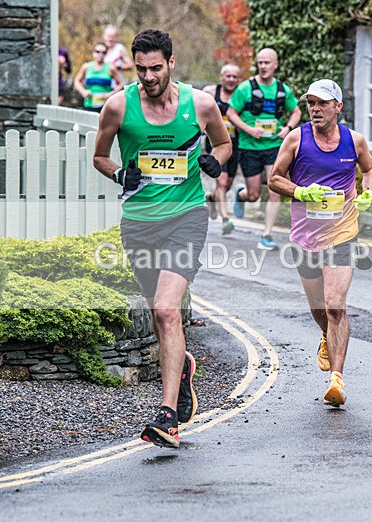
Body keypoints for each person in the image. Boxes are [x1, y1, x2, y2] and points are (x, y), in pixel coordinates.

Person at [93, 29, 231, 448]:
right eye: (141, 69)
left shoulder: (201, 105)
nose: (149, 77)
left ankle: (167, 416)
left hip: (186, 217)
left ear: (171, 63)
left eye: (156, 68)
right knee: (158, 312)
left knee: (169, 312)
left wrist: (213, 160)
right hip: (138, 223)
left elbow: (224, 145)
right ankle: (182, 367)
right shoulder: (118, 107)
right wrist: (119, 172)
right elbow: (99, 156)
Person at [269, 79, 372, 407]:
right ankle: (326, 336)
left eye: (322, 103)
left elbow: (370, 169)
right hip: (305, 237)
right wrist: (301, 192)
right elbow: (274, 179)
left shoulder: (354, 141)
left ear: (337, 107)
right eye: (311, 103)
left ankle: (337, 380)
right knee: (319, 310)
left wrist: (368, 191)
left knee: (335, 304)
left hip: (343, 234)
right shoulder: (296, 139)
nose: (315, 109)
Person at [227, 48, 301, 250]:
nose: (263, 66)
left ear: (275, 64)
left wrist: (287, 129)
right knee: (254, 195)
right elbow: (231, 113)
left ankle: (266, 235)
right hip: (249, 147)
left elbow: (296, 111)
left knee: (275, 189)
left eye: (267, 62)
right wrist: (249, 129)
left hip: (274, 146)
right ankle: (241, 195)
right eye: (260, 63)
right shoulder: (245, 88)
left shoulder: (282, 90)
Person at [202, 63, 241, 235]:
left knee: (228, 184)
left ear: (238, 79)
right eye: (228, 76)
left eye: (235, 77)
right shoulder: (210, 92)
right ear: (221, 77)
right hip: (216, 142)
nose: (231, 80)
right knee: (222, 181)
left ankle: (211, 198)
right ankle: (225, 219)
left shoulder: (242, 94)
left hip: (235, 143)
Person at [73, 41, 123, 113]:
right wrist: (83, 91)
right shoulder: (86, 67)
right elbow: (77, 81)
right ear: (93, 52)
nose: (100, 54)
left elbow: (121, 84)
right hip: (90, 103)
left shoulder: (111, 68)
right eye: (98, 52)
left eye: (103, 52)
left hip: (105, 105)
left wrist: (111, 94)